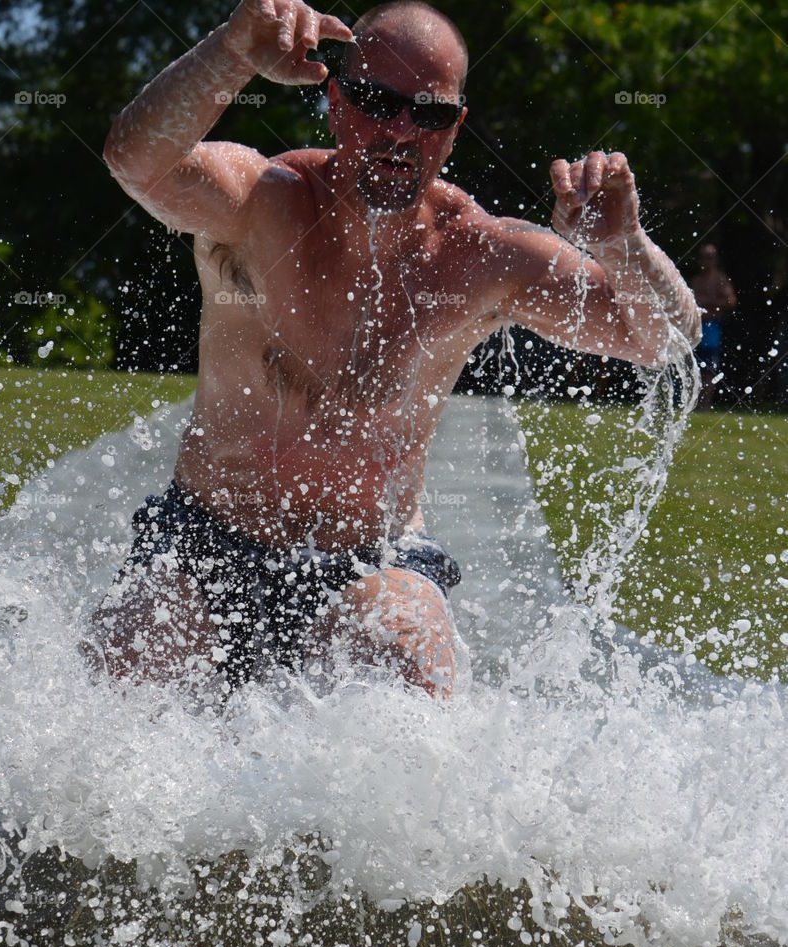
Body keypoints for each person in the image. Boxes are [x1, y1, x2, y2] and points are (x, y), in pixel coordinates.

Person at [93, 0, 701, 699]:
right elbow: (134, 161)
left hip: (368, 558)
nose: (400, 131)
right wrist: (230, 51)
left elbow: (661, 339)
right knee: (114, 683)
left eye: (429, 114)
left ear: (454, 128)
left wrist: (623, 247)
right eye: (377, 101)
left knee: (415, 687)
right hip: (205, 540)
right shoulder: (260, 202)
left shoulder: (481, 257)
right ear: (334, 98)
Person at [691, 243, 737, 410]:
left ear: (716, 259)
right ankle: (694, 403)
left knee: (709, 367)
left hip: (712, 327)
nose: (707, 261)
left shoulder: (720, 279)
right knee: (694, 365)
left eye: (710, 257)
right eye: (704, 257)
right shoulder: (697, 280)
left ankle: (705, 404)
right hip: (696, 326)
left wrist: (707, 301)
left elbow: (731, 301)